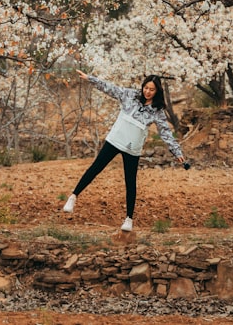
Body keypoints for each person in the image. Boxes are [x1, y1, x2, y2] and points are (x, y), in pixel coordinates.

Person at [63, 70, 189, 232]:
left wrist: (177, 152)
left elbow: (165, 133)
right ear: (142, 86)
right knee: (95, 168)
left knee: (130, 182)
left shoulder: (157, 111)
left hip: (132, 148)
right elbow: (110, 88)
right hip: (116, 139)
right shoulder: (130, 95)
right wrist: (90, 79)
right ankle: (73, 197)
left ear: (157, 92)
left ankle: (129, 219)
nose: (147, 92)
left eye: (151, 90)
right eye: (146, 88)